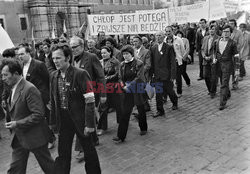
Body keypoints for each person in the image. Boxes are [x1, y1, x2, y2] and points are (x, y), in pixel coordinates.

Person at [50, 43, 101, 174]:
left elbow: (90, 100)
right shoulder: (54, 76)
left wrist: (90, 124)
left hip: (80, 120)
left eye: (58, 58)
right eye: (53, 58)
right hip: (64, 121)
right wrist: (53, 122)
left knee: (89, 152)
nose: (55, 61)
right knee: (63, 153)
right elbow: (54, 101)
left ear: (68, 58)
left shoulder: (80, 74)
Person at [1, 58, 54, 174]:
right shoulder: (13, 88)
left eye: (5, 75)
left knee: (49, 167)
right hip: (19, 137)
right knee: (15, 169)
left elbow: (38, 114)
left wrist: (17, 123)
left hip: (34, 137)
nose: (3, 78)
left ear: (16, 73)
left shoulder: (29, 89)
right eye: (2, 75)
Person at [70, 35, 106, 162]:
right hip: (75, 96)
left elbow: (101, 76)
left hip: (90, 94)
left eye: (75, 47)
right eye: (71, 47)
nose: (72, 49)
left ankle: (81, 149)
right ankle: (94, 138)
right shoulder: (70, 59)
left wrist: (103, 94)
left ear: (82, 46)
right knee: (86, 119)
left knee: (82, 121)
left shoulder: (91, 57)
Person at [17, 46, 56, 149]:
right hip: (29, 98)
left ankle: (51, 138)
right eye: (19, 55)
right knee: (37, 118)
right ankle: (44, 137)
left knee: (46, 118)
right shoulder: (21, 67)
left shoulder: (39, 64)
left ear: (28, 53)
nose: (20, 56)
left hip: (41, 96)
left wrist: (48, 98)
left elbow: (47, 81)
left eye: (22, 54)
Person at [112, 45, 148, 143]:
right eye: (123, 54)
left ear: (131, 54)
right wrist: (123, 85)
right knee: (125, 113)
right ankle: (121, 136)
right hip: (127, 91)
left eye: (127, 54)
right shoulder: (122, 64)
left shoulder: (139, 63)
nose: (125, 56)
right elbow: (120, 77)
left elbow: (139, 77)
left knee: (141, 109)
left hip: (137, 90)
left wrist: (129, 85)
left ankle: (143, 128)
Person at [150, 31, 178, 118]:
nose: (158, 37)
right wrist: (151, 75)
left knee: (170, 91)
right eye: (157, 36)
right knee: (158, 93)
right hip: (157, 75)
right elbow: (152, 62)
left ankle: (174, 101)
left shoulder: (169, 47)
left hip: (167, 74)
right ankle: (160, 110)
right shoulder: (153, 48)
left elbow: (172, 62)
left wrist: (173, 75)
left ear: (163, 37)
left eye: (160, 36)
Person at [97, 46, 122, 135]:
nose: (103, 55)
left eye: (105, 53)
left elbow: (118, 74)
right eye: (102, 53)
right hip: (103, 88)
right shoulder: (99, 62)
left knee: (118, 105)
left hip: (114, 87)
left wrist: (107, 78)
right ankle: (103, 127)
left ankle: (121, 122)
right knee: (103, 107)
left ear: (110, 52)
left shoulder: (115, 62)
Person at [214, 25, 237, 110]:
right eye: (224, 31)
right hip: (218, 65)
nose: (226, 33)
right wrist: (214, 60)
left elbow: (236, 56)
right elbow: (215, 52)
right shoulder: (217, 41)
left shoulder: (233, 43)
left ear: (230, 33)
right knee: (222, 81)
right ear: (222, 32)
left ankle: (222, 103)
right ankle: (228, 93)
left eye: (228, 32)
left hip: (227, 65)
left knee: (223, 84)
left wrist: (237, 70)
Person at [165, 26, 185, 98]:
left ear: (172, 31)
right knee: (169, 77)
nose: (168, 33)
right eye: (166, 31)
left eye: (169, 31)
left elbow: (182, 50)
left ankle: (179, 92)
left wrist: (180, 58)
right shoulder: (164, 40)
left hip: (177, 61)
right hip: (168, 62)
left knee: (178, 77)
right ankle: (170, 91)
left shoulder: (178, 39)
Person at [201, 25, 219, 98]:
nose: (211, 31)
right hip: (205, 60)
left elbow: (218, 51)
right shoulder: (205, 38)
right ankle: (210, 90)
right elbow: (202, 49)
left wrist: (211, 57)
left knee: (214, 77)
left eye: (213, 29)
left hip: (213, 60)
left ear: (215, 30)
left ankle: (213, 92)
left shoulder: (218, 38)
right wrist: (204, 56)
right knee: (205, 76)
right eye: (210, 29)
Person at [228, 19, 243, 90]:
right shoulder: (226, 31)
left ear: (235, 25)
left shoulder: (239, 32)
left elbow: (240, 44)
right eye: (229, 23)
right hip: (227, 54)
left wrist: (234, 51)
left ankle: (235, 84)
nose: (230, 25)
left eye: (232, 24)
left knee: (235, 70)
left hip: (235, 54)